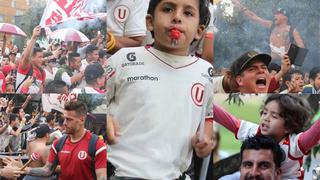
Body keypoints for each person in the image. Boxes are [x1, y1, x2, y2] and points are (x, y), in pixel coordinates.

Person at [106, 0, 213, 179]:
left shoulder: (206, 73)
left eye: (188, 13)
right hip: (123, 173)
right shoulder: (123, 59)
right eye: (168, 9)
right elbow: (97, 96)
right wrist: (108, 120)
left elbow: (207, 116)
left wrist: (205, 138)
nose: (177, 17)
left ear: (199, 31)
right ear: (149, 22)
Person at [213, 94, 320, 179]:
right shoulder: (254, 131)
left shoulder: (295, 144)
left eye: (274, 116)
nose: (266, 118)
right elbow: (227, 120)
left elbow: (315, 132)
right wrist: (206, 101)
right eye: (264, 113)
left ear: (288, 126)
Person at [23, 100, 107, 180]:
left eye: (69, 119)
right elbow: (47, 170)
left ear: (82, 120)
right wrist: (25, 169)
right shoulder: (58, 144)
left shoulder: (97, 145)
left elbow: (101, 177)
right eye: (64, 119)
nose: (64, 123)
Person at [231, 0, 304, 64]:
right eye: (274, 13)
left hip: (284, 63)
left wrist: (290, 59)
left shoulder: (292, 30)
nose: (274, 15)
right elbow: (254, 17)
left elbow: (301, 47)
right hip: (271, 61)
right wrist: (240, 6)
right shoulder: (271, 25)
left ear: (285, 17)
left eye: (277, 14)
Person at [16, 26, 46, 93]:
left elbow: (41, 91)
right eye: (40, 57)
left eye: (43, 57)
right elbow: (26, 57)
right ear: (31, 58)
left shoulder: (42, 72)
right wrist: (34, 37)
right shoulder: (25, 67)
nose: (42, 59)